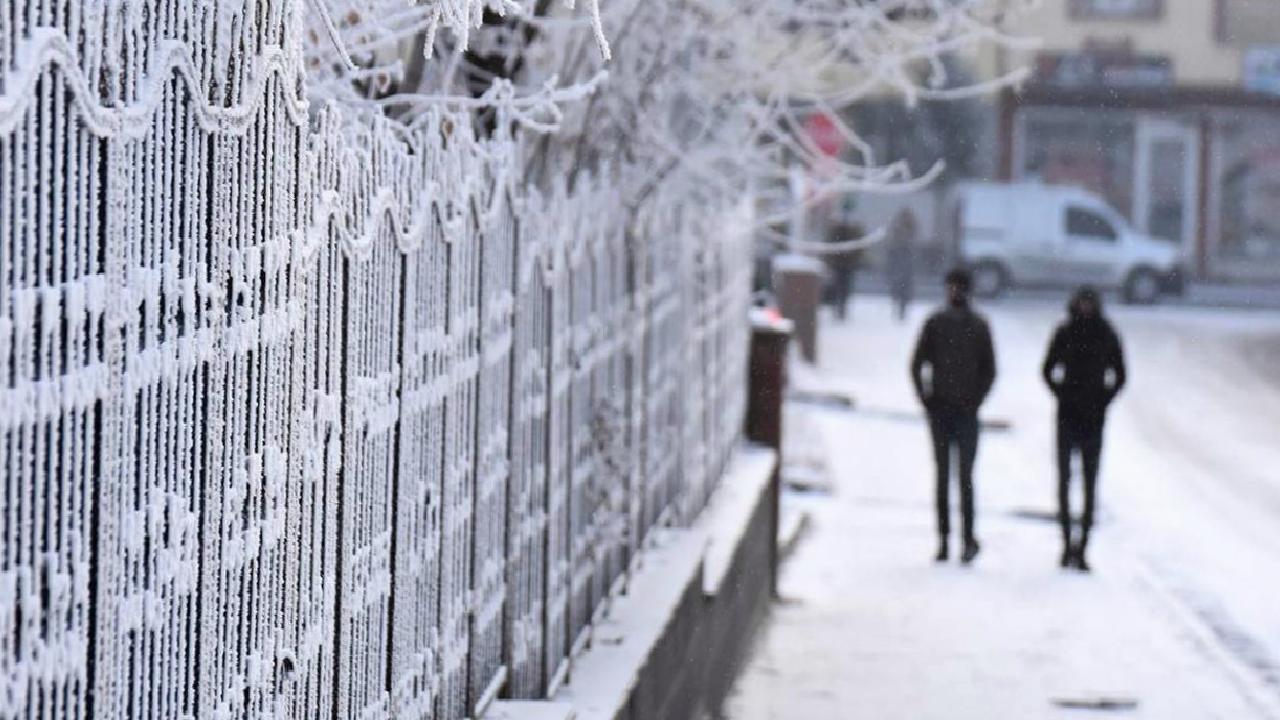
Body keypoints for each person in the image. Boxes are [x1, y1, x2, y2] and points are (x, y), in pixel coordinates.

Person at [910, 268, 997, 564]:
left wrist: (976, 399)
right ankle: (945, 539)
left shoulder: (978, 326)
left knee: (965, 478)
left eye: (959, 288)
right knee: (944, 477)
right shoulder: (936, 324)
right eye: (951, 288)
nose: (954, 293)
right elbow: (917, 362)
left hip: (966, 412)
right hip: (941, 410)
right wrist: (927, 398)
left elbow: (989, 369)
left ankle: (967, 538)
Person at [1042, 286, 1126, 573]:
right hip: (1068, 415)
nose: (1086, 308)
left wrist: (1103, 399)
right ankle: (1067, 544)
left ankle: (1083, 546)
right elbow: (1047, 368)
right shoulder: (1065, 332)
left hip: (1093, 418)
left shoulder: (1106, 333)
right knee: (1065, 482)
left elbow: (1120, 373)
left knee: (1090, 484)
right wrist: (1062, 393)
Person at [824, 221, 864, 321]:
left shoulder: (848, 230)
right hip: (842, 265)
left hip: (844, 265)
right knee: (842, 288)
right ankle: (840, 308)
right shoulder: (851, 230)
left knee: (842, 287)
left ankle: (840, 308)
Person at [885, 208, 916, 322]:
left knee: (904, 288)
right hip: (898, 260)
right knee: (898, 286)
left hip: (905, 263)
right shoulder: (897, 228)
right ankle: (898, 305)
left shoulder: (910, 227)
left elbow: (911, 241)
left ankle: (902, 308)